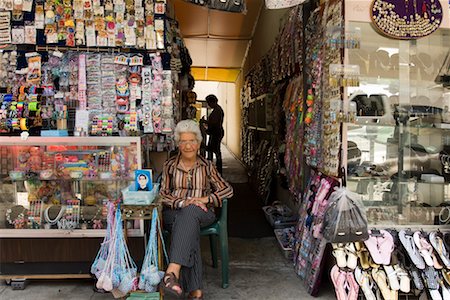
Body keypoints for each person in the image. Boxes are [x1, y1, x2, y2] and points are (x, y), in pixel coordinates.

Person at [159, 119, 233, 300]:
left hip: (203, 213)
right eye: (183, 141)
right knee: (188, 220)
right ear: (178, 143)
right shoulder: (169, 165)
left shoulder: (207, 166)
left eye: (192, 141)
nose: (188, 145)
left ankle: (172, 272)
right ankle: (195, 291)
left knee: (191, 214)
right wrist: (183, 203)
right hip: (175, 212)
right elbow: (163, 194)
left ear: (199, 143)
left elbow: (227, 190)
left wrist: (205, 199)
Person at [204, 94, 224, 174]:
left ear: (213, 102)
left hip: (216, 132)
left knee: (213, 150)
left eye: (208, 103)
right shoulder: (217, 109)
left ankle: (214, 169)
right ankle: (213, 168)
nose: (208, 104)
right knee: (213, 150)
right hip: (216, 132)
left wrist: (205, 122)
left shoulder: (217, 110)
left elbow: (214, 122)